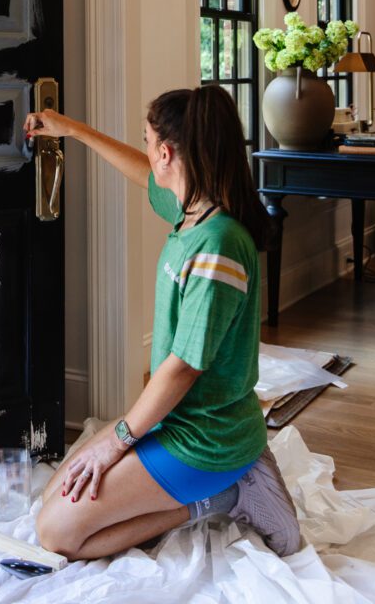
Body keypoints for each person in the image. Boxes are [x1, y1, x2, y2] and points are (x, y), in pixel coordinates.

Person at [24, 85, 301, 561]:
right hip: (176, 421)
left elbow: (182, 368)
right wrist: (70, 129)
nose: (147, 151)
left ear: (168, 152)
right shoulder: (194, 207)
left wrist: (116, 441)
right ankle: (212, 486)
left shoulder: (217, 245)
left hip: (206, 439)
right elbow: (141, 171)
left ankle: (230, 495)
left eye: (149, 140)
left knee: (57, 534)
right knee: (55, 493)